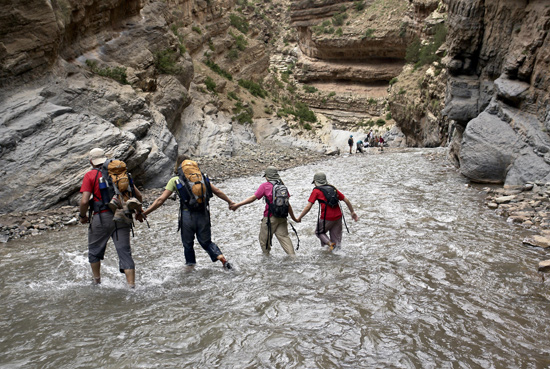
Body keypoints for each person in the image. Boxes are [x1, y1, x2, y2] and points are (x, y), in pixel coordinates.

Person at [142, 156, 233, 270]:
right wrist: (230, 202)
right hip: (203, 214)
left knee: (188, 245)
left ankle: (190, 268)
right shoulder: (202, 178)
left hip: (187, 216)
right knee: (207, 242)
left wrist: (146, 212)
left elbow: (161, 200)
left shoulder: (175, 180)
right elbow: (218, 191)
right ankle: (222, 259)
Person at [79, 148, 143, 287]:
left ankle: (97, 281)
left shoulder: (90, 175)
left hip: (101, 218)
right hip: (123, 216)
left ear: (91, 161)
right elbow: (138, 196)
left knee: (94, 250)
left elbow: (84, 201)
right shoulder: (121, 173)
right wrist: (139, 212)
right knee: (125, 252)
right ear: (105, 158)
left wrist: (82, 216)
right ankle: (131, 285)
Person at [230, 166, 298, 256]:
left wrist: (238, 205)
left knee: (264, 240)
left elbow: (253, 198)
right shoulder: (282, 186)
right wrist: (294, 218)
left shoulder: (265, 186)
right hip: (283, 217)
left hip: (270, 218)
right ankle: (293, 258)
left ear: (267, 176)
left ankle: (267, 261)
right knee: (284, 237)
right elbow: (288, 204)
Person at [296, 172, 359, 251]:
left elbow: (308, 206)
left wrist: (299, 217)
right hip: (338, 217)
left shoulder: (316, 191)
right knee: (337, 243)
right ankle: (334, 256)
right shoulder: (333, 188)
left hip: (326, 217)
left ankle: (329, 244)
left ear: (315, 182)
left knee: (319, 232)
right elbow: (346, 200)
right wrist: (352, 212)